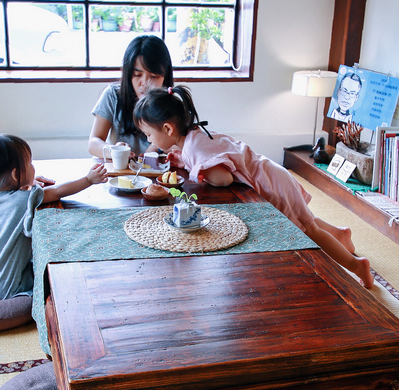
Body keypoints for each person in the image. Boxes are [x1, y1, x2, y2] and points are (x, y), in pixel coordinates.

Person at [134, 86, 374, 288]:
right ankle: (341, 234)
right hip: (271, 174)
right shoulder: (194, 135)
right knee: (304, 218)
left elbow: (223, 178)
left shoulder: (193, 147)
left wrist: (201, 174)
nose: (149, 141)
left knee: (308, 229)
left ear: (167, 129)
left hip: (271, 184)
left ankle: (356, 264)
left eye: (148, 135)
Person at [0, 134, 108, 301]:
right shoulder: (22, 200)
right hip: (0, 288)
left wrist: (28, 185)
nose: (33, 167)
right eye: (30, 163)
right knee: (57, 277)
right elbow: (57, 192)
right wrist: (89, 179)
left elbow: (16, 198)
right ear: (15, 175)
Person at [88, 35, 174, 159]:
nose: (144, 82)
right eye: (137, 74)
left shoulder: (172, 101)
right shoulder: (113, 95)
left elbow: (185, 145)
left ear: (165, 76)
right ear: (128, 74)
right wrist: (114, 151)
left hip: (157, 174)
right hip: (120, 172)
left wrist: (158, 148)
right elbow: (93, 142)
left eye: (154, 76)